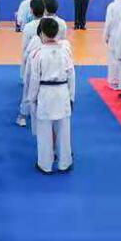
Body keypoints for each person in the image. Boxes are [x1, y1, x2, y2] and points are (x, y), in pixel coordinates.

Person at [27, 17, 75, 173]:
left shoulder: (38, 54)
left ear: (42, 33)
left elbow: (34, 79)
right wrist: (71, 96)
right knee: (64, 129)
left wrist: (32, 98)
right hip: (62, 91)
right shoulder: (65, 52)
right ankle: (65, 162)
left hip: (45, 93)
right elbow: (71, 75)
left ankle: (45, 164)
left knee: (44, 130)